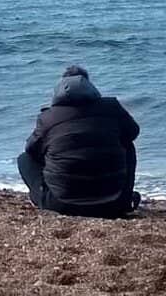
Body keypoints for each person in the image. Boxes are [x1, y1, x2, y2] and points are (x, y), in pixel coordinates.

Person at [18, 65, 140, 218]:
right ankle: (125, 197)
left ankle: (43, 196)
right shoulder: (112, 107)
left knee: (25, 159)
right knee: (128, 145)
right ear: (90, 86)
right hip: (112, 204)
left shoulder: (48, 118)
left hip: (63, 205)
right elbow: (133, 132)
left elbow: (31, 150)